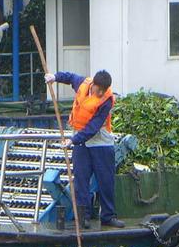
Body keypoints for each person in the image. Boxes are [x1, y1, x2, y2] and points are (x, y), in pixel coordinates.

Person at [44, 69, 124, 229]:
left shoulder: (107, 100)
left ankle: (108, 216)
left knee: (106, 181)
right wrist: (55, 77)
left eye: (103, 90)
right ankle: (83, 217)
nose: (100, 93)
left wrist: (73, 140)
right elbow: (70, 76)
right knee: (81, 180)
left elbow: (94, 126)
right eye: (98, 89)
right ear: (93, 84)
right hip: (81, 144)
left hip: (100, 143)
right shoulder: (82, 83)